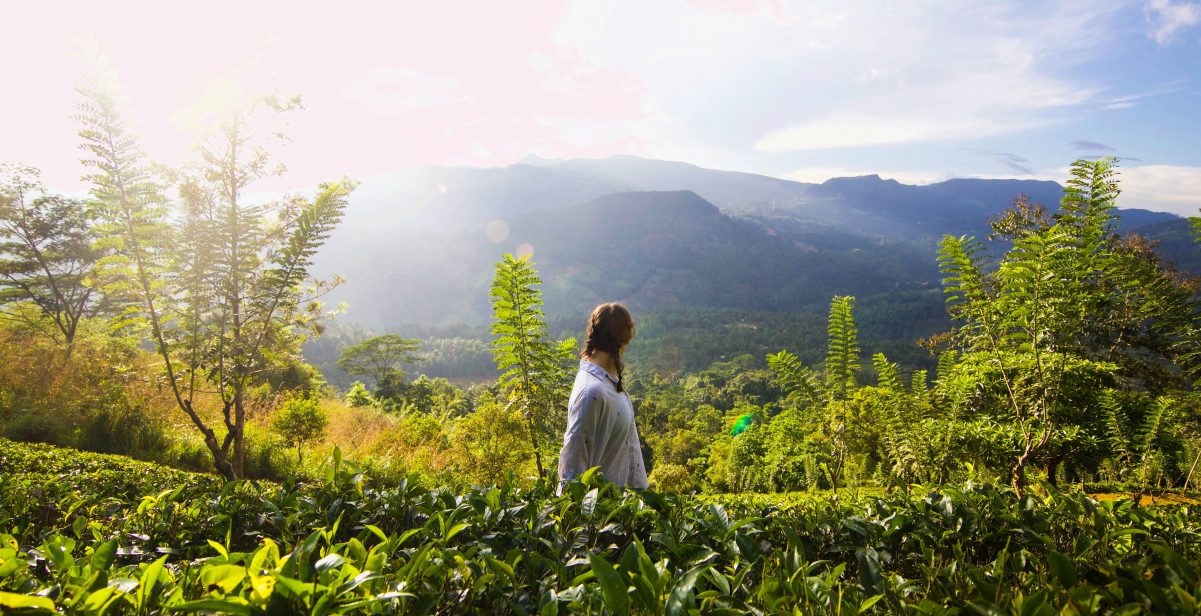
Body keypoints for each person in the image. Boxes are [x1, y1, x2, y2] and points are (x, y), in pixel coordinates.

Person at [557, 302, 649, 490]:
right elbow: (572, 468)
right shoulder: (591, 392)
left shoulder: (608, 384)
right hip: (598, 514)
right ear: (626, 338)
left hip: (618, 511)